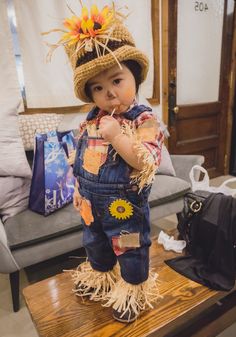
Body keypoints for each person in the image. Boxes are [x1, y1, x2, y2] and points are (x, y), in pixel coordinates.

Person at [46, 3, 164, 323]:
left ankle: (131, 289)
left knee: (128, 247)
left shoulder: (144, 120)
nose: (109, 93)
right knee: (94, 241)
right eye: (97, 88)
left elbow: (146, 162)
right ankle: (101, 276)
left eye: (116, 80)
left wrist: (119, 138)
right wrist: (78, 188)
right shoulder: (91, 119)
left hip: (124, 207)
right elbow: (81, 158)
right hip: (91, 203)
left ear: (135, 76)